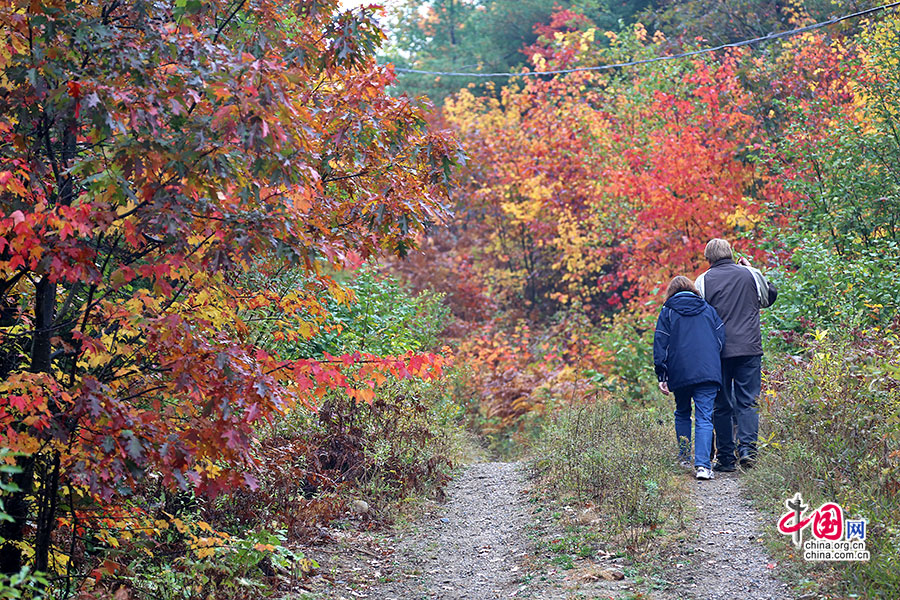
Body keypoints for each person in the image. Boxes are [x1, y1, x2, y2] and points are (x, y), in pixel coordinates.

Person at [695, 238, 777, 471]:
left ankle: (725, 459)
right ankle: (748, 452)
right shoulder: (751, 274)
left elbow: (699, 315)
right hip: (749, 348)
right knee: (748, 401)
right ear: (730, 254)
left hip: (717, 352)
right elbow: (767, 299)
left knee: (721, 405)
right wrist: (750, 268)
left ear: (708, 258)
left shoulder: (703, 280)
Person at [653, 276, 726, 481]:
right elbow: (721, 338)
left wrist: (662, 373)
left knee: (683, 412)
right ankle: (703, 466)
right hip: (707, 370)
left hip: (680, 370)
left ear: (671, 292)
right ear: (693, 290)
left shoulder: (667, 312)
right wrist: (713, 359)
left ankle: (684, 457)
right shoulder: (708, 310)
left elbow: (660, 343)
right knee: (704, 416)